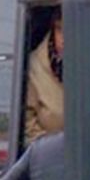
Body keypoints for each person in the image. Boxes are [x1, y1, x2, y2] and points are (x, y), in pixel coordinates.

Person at [23, 8, 64, 143]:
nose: (64, 39)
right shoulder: (34, 66)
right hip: (46, 156)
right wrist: (52, 149)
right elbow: (27, 124)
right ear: (53, 30)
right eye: (60, 30)